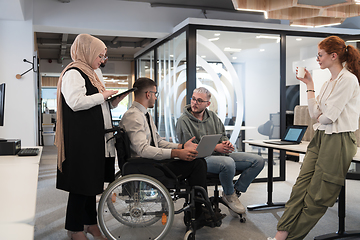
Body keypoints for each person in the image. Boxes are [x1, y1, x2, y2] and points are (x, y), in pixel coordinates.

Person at [268, 35, 360, 240]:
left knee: (318, 196)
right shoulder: (328, 82)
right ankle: (280, 236)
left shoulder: (348, 80)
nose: (317, 59)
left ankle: (290, 239)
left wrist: (321, 114)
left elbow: (328, 117)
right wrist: (309, 83)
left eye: (320, 55)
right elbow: (314, 115)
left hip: (339, 140)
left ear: (333, 56)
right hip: (321, 137)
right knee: (300, 187)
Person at [55, 33, 130, 240]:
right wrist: (103, 96)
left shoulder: (92, 72)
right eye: (100, 55)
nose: (102, 60)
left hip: (95, 138)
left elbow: (96, 105)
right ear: (87, 52)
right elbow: (76, 102)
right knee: (80, 186)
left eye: (104, 56)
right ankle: (74, 229)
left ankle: (90, 224)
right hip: (82, 140)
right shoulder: (74, 72)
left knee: (91, 184)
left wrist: (112, 102)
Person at [119, 77, 216, 226]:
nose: (156, 98)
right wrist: (176, 154)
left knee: (197, 161)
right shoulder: (134, 116)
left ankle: (199, 210)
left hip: (152, 162)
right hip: (145, 166)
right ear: (148, 94)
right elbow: (143, 150)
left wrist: (181, 147)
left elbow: (158, 142)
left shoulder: (144, 114)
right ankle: (198, 212)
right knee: (197, 164)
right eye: (155, 94)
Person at [176, 87, 265, 216]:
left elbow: (222, 135)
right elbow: (189, 147)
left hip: (220, 155)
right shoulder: (183, 120)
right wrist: (215, 148)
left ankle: (234, 191)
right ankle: (229, 195)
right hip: (199, 159)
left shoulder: (212, 116)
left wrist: (225, 142)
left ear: (208, 104)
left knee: (258, 161)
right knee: (227, 162)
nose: (194, 103)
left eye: (199, 100)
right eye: (193, 99)